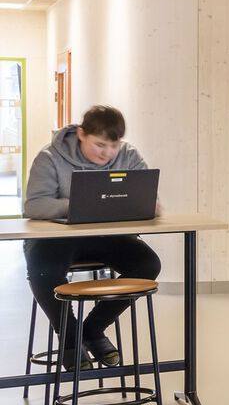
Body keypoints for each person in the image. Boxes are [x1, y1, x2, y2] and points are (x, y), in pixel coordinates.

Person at [22, 105, 162, 370]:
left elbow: (150, 200)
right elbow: (34, 205)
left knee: (147, 264)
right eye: (100, 145)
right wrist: (78, 204)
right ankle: (70, 340)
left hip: (107, 236)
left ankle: (92, 331)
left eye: (113, 146)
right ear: (81, 134)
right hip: (57, 238)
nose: (107, 153)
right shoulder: (50, 157)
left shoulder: (129, 155)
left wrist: (149, 206)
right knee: (43, 269)